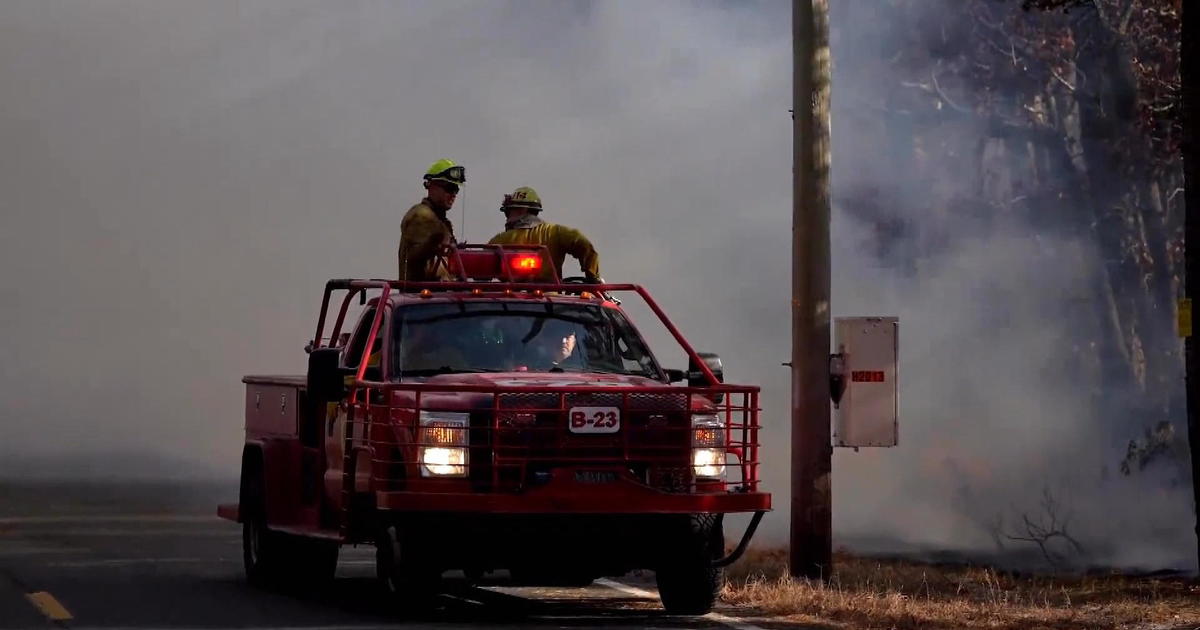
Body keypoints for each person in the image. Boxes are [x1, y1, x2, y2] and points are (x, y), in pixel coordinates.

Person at [487, 187, 600, 283]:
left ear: (521, 210)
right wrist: (592, 278)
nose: (507, 217)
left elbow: (481, 273)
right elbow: (584, 245)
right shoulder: (556, 232)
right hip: (552, 298)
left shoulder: (498, 241)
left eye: (508, 211)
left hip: (508, 299)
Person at [398, 159, 466, 282]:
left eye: (456, 189)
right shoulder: (421, 216)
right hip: (420, 296)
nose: (453, 194)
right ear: (431, 186)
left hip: (441, 296)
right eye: (449, 188)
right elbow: (418, 261)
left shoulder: (441, 221)